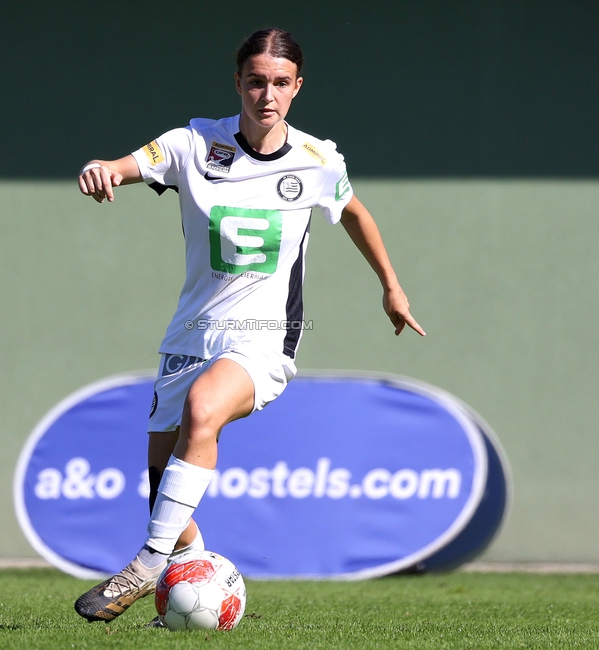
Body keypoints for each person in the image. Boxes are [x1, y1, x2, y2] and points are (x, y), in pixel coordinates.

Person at [73, 28, 425, 623]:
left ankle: (149, 563)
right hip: (189, 336)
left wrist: (390, 285)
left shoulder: (317, 161)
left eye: (281, 83)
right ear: (238, 82)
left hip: (264, 336)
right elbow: (126, 164)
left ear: (297, 88)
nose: (268, 94)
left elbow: (355, 212)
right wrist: (100, 168)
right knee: (165, 492)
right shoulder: (191, 144)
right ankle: (195, 581)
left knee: (205, 410)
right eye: (256, 81)